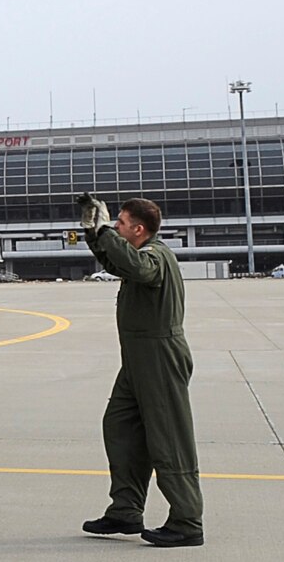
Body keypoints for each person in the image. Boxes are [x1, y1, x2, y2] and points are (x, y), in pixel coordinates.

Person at [77, 194, 204, 547]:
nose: (117, 227)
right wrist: (94, 233)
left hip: (159, 358)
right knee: (120, 426)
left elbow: (136, 267)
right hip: (136, 360)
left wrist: (104, 232)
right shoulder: (136, 256)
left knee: (168, 439)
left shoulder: (155, 256)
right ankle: (126, 510)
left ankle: (187, 520)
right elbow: (118, 263)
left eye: (120, 223)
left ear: (138, 229)